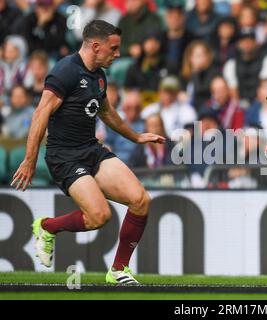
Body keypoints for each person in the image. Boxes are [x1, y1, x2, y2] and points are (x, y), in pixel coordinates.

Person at [10, 20, 166, 284]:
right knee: (99, 216)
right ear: (96, 46)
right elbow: (40, 114)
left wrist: (136, 136)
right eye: (113, 49)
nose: (117, 54)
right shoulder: (65, 72)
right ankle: (47, 228)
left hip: (91, 150)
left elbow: (106, 113)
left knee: (141, 200)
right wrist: (29, 159)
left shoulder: (99, 75)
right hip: (65, 157)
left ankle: (118, 270)